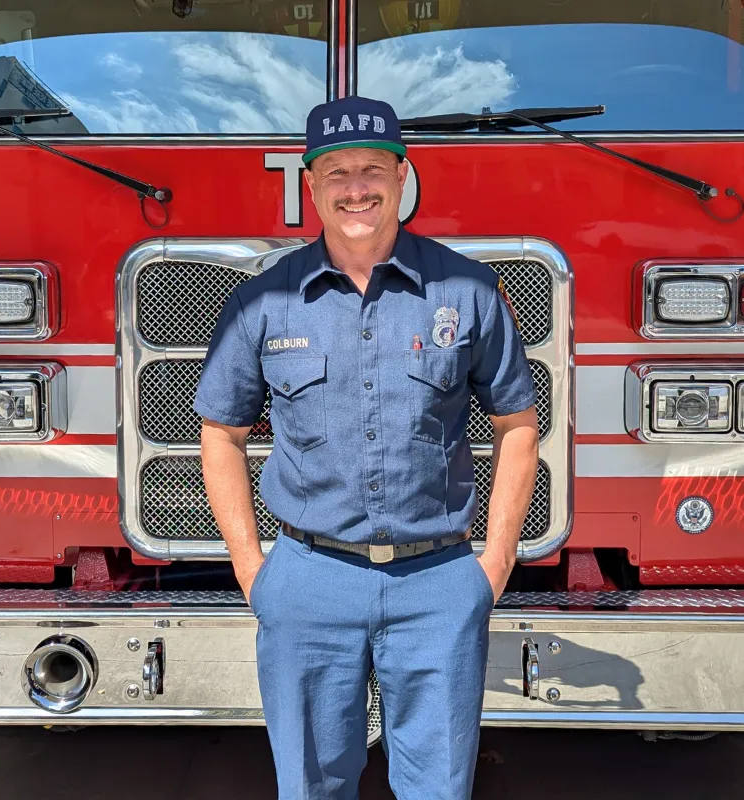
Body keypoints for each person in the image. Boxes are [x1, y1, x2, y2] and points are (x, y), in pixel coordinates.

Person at [194, 95, 539, 800]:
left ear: (403, 176)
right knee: (312, 787)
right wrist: (254, 569)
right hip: (306, 580)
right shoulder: (261, 303)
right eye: (338, 172)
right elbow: (220, 434)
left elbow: (517, 424)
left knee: (438, 789)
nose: (357, 188)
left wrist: (492, 564)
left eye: (373, 170)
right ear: (310, 184)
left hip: (437, 581)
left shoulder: (467, 290)